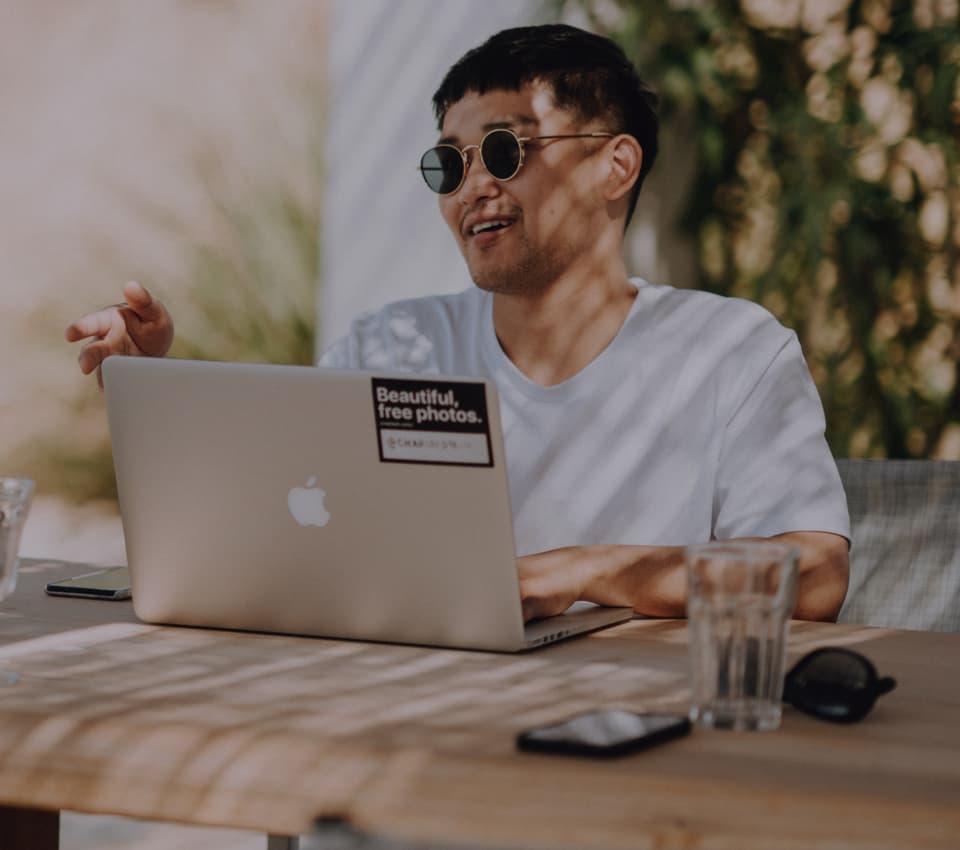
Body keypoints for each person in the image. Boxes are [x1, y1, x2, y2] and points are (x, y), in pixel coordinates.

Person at [66, 24, 850, 623]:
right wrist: (155, 388)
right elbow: (270, 525)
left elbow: (814, 574)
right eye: (449, 163)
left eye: (505, 150)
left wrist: (580, 572)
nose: (472, 187)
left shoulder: (732, 351)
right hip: (410, 716)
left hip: (634, 736)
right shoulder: (391, 345)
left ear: (615, 166)